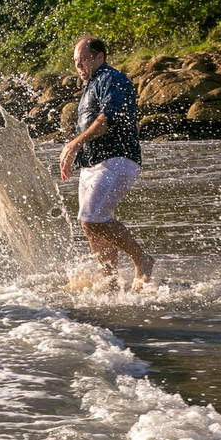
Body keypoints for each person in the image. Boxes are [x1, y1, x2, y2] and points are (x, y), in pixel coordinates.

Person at [58, 36, 154, 291]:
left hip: (118, 158)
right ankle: (110, 282)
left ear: (100, 57)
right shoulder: (90, 84)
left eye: (83, 59)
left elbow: (105, 121)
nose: (78, 65)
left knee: (93, 219)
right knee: (90, 224)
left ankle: (142, 259)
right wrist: (77, 153)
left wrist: (74, 144)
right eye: (75, 61)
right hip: (92, 163)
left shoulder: (113, 79)